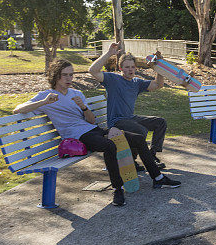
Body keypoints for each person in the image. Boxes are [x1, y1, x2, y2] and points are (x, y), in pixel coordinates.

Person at [13, 60, 180, 208]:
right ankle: (118, 189)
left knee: (137, 139)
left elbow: (91, 121)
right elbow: (18, 109)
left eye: (71, 75)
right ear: (56, 76)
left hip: (94, 130)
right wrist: (44, 102)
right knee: (109, 146)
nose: (69, 78)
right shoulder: (46, 96)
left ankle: (158, 179)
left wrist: (84, 108)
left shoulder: (77, 94)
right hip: (77, 137)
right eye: (65, 75)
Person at [89, 43, 169, 170]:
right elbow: (92, 70)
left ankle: (151, 155)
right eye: (127, 67)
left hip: (130, 118)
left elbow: (158, 85)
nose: (130, 70)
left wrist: (160, 67)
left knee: (160, 122)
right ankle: (132, 160)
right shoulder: (112, 79)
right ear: (120, 68)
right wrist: (109, 53)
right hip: (116, 122)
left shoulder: (137, 83)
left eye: (132, 67)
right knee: (140, 130)